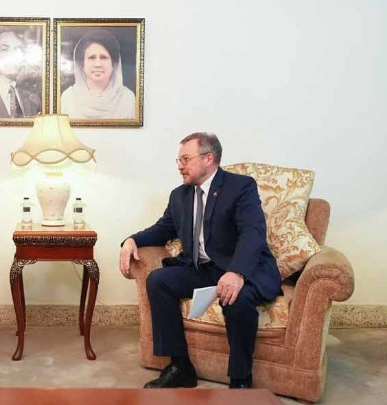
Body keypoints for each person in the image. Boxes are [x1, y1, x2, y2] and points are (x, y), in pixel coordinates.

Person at [119, 133, 281, 390]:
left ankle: (240, 380)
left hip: (242, 267)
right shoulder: (179, 195)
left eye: (186, 159)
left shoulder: (240, 187)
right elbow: (163, 228)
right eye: (178, 160)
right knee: (159, 280)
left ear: (208, 158)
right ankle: (180, 367)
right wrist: (132, 240)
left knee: (237, 299)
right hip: (204, 268)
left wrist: (237, 273)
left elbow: (252, 232)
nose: (180, 166)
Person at [60, 29, 136, 119]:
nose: (98, 64)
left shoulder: (127, 98)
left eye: (103, 57)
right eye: (92, 58)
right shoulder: (68, 98)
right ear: (82, 64)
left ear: (113, 64)